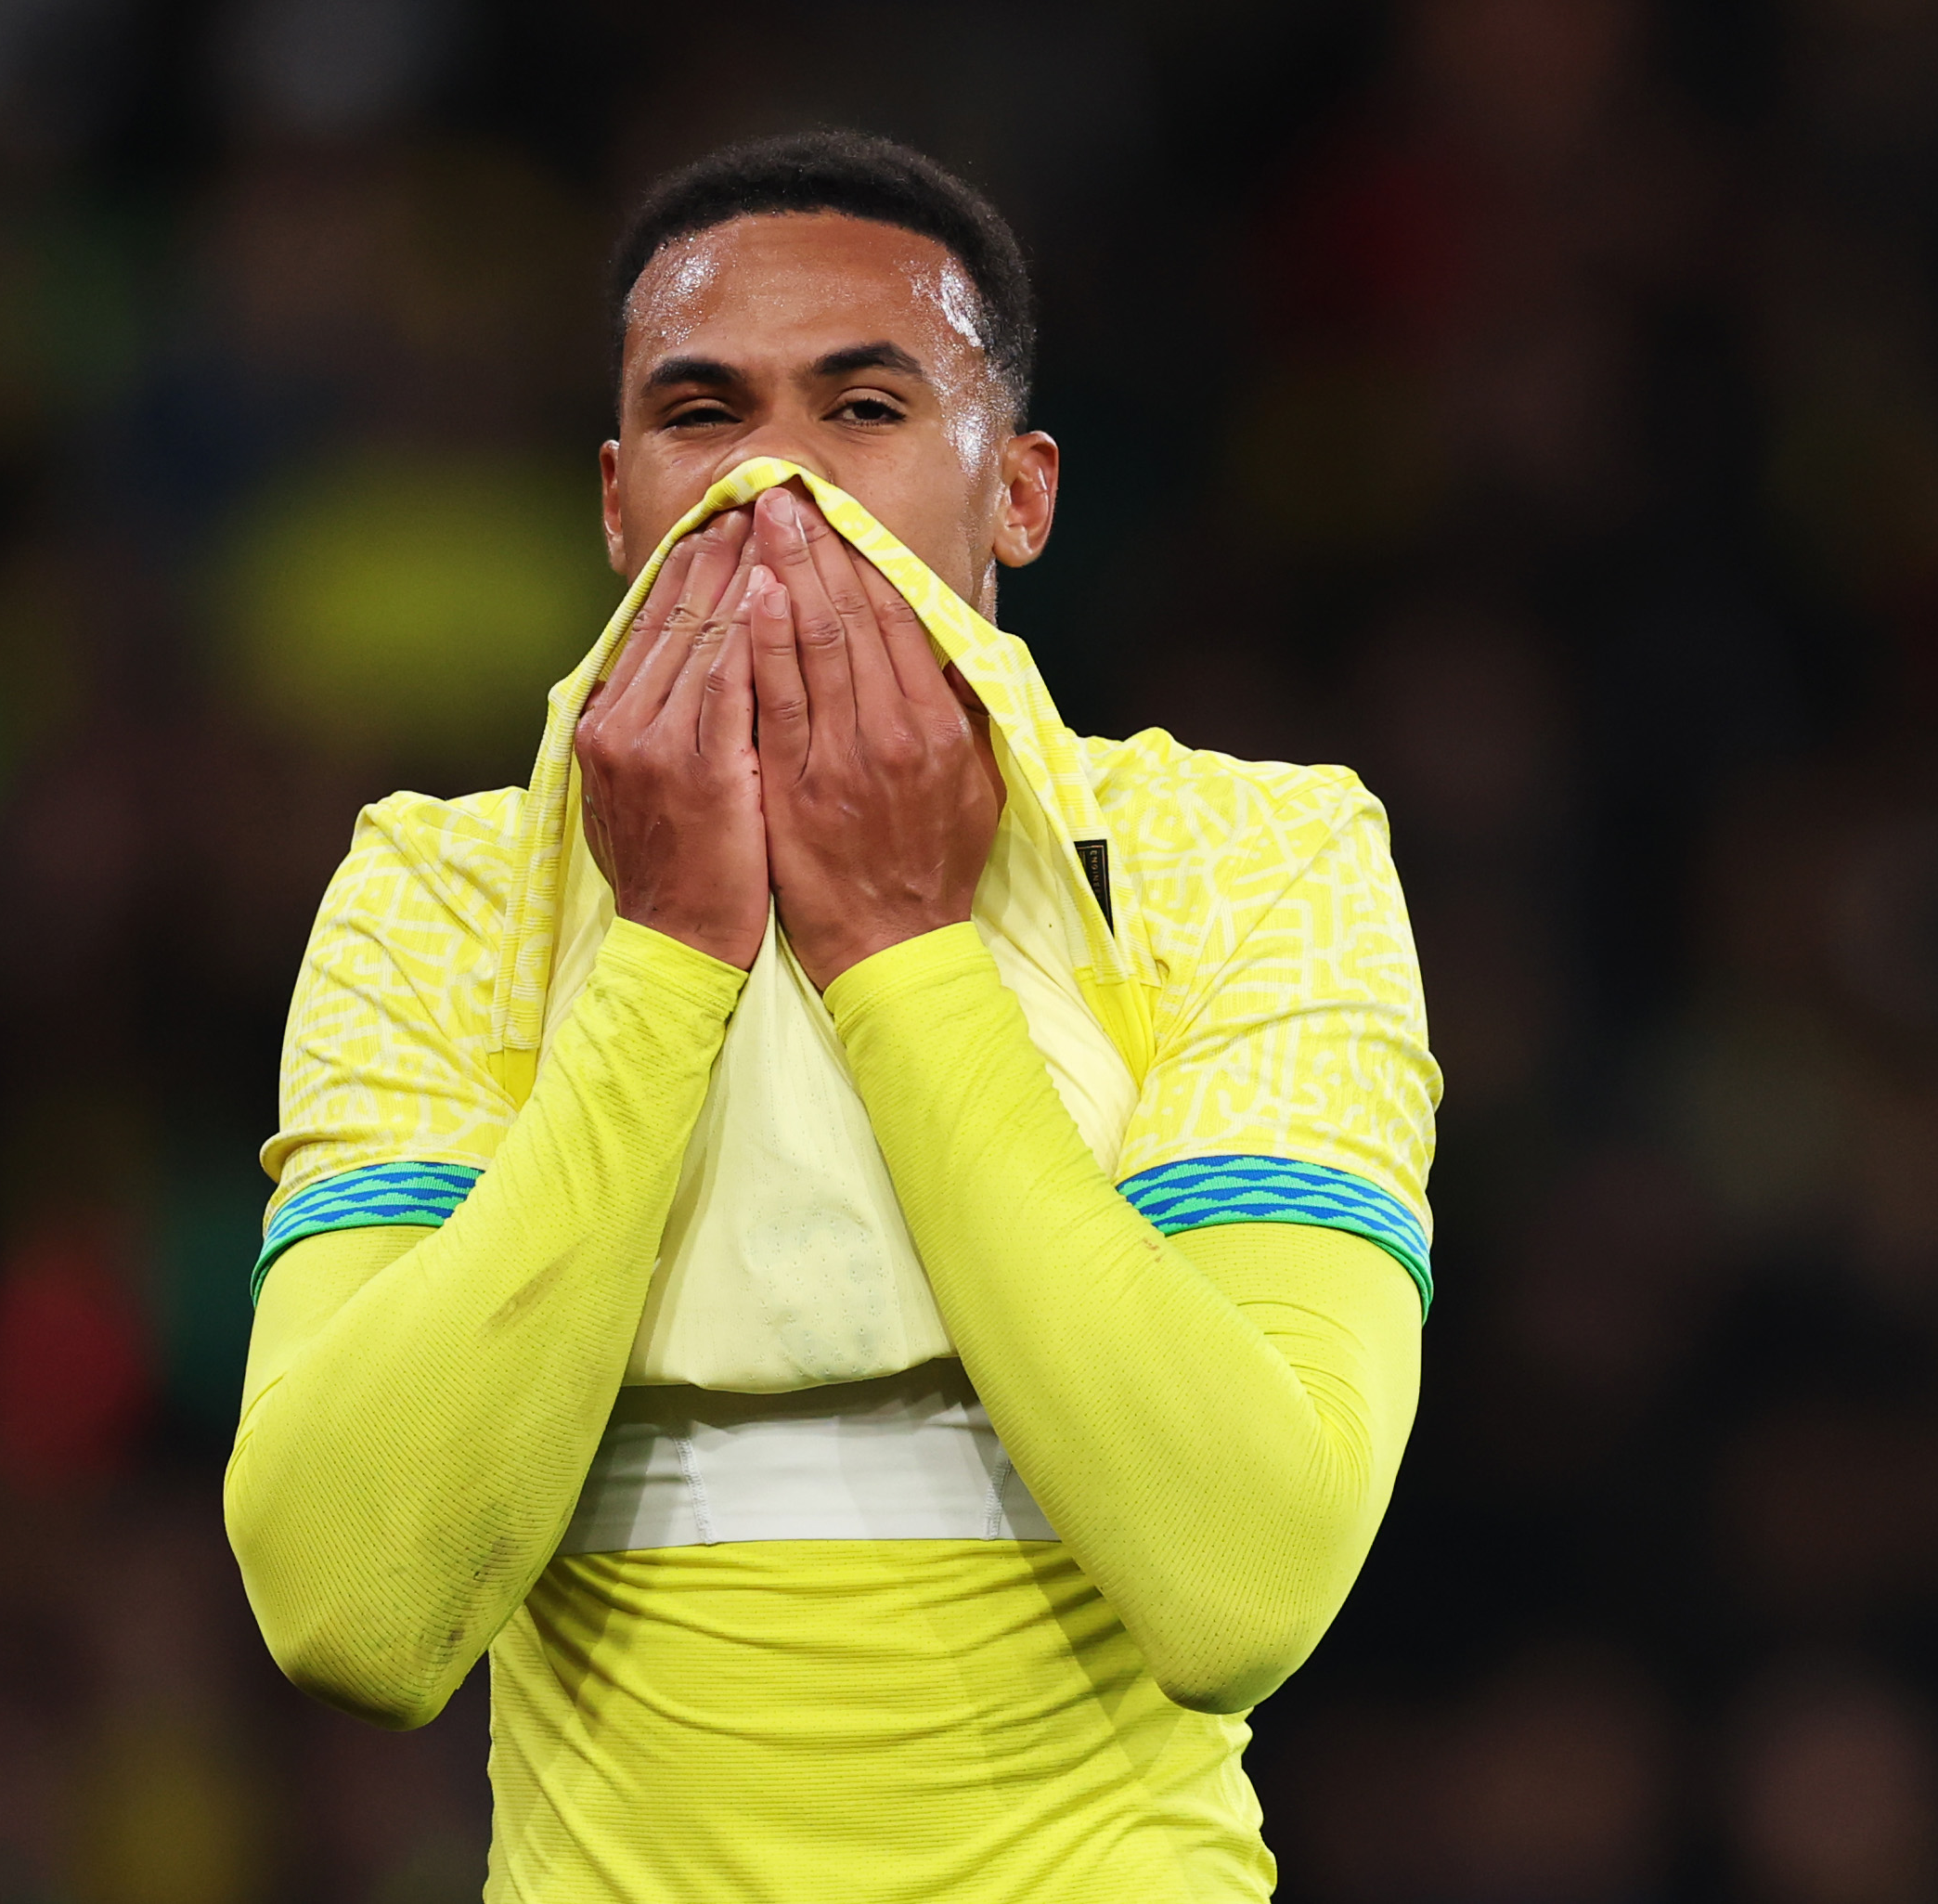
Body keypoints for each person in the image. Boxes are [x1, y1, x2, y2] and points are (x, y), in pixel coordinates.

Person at [224, 129, 1439, 1902]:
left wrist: (893, 944)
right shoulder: (443, 898)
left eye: (865, 409)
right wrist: (667, 957)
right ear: (619, 502)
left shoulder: (1256, 860)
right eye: (704, 417)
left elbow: (1241, 1580)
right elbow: (352, 1606)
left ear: (1017, 493)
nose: (772, 491)